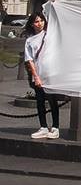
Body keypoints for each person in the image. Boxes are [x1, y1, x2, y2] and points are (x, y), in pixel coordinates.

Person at [23, 11, 59, 140]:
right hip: (38, 74)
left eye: (41, 20)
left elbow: (55, 18)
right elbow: (29, 60)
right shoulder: (29, 41)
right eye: (36, 21)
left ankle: (55, 127)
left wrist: (52, 4)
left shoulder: (49, 35)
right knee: (40, 101)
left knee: (52, 100)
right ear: (32, 24)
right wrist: (35, 76)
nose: (40, 23)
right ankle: (43, 126)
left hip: (50, 73)